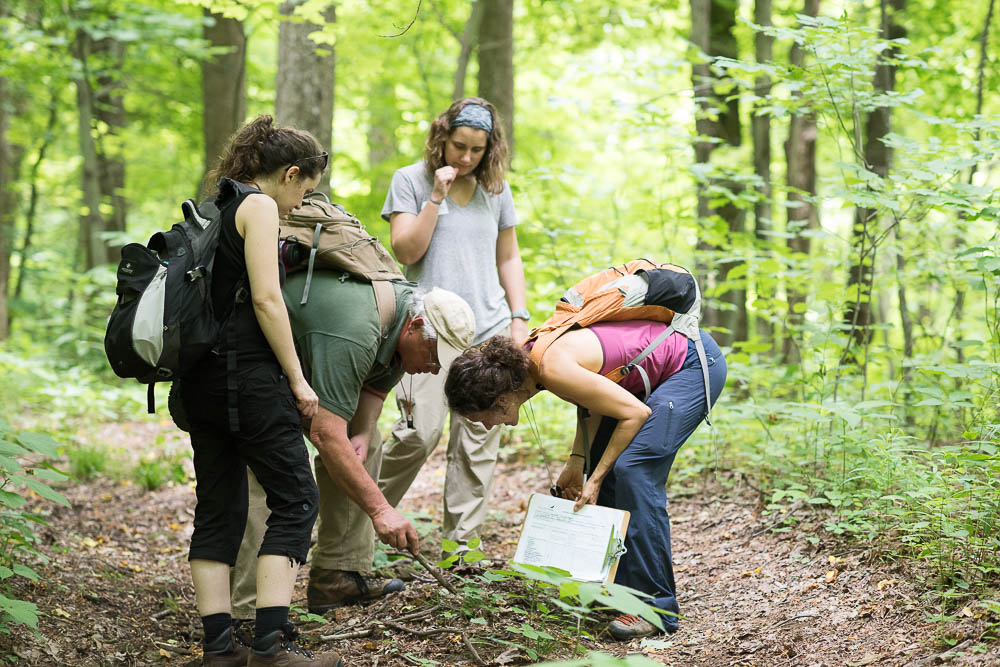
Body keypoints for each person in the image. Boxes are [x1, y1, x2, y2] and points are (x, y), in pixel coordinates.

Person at [443, 322, 727, 640]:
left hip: (690, 363)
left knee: (633, 472)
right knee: (601, 467)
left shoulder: (549, 367)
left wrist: (597, 478)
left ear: (498, 399)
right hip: (647, 380)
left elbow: (635, 414)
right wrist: (579, 463)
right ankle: (619, 593)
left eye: (480, 418)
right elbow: (591, 408)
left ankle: (656, 609)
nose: (485, 426)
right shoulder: (533, 366)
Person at [181, 114, 342, 666]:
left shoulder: (214, 208)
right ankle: (270, 648)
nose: (302, 203)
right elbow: (268, 301)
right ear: (290, 173)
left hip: (198, 383)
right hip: (248, 380)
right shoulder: (260, 206)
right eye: (305, 189)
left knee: (217, 510)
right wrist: (299, 380)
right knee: (297, 499)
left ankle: (220, 649)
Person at [229, 279, 476, 618]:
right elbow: (326, 436)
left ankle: (337, 574)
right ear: (416, 326)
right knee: (271, 469)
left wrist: (362, 431)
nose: (434, 368)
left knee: (365, 447)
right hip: (246, 362)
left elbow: (375, 387)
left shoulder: (400, 326)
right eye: (434, 356)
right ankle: (248, 613)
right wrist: (381, 511)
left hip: (305, 370)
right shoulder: (358, 329)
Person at [374, 96, 527, 562]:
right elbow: (406, 251)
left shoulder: (495, 189)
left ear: (490, 149)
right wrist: (435, 197)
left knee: (479, 438)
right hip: (428, 331)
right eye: (458, 146)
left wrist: (519, 315)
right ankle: (358, 518)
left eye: (477, 150)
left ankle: (461, 550)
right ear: (441, 138)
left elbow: (508, 256)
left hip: (488, 329)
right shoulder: (410, 180)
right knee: (420, 432)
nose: (466, 158)